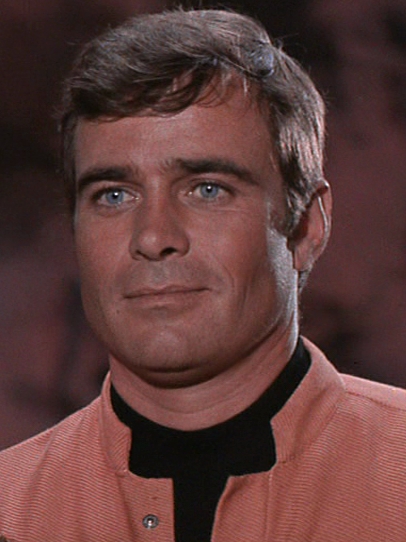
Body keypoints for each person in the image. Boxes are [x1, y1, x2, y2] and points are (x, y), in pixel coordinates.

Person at [1, 7, 406, 542]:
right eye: (114, 195)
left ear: (307, 227)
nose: (153, 237)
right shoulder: (10, 509)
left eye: (207, 189)